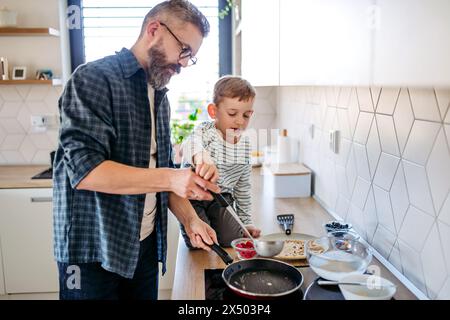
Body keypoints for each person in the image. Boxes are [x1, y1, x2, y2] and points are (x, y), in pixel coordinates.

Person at [53, 0, 221, 300]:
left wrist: (191, 220)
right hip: (93, 253)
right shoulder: (92, 79)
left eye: (190, 57)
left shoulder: (159, 96)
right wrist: (172, 177)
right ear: (154, 29)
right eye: (184, 50)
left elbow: (161, 177)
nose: (184, 63)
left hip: (142, 247)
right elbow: (86, 171)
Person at [180, 75, 262, 248]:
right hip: (193, 197)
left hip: (221, 197)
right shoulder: (205, 131)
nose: (240, 121)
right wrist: (202, 157)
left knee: (231, 241)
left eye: (246, 115)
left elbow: (242, 187)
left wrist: (246, 222)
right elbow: (188, 144)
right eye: (232, 113)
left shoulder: (245, 146)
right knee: (201, 242)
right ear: (213, 111)